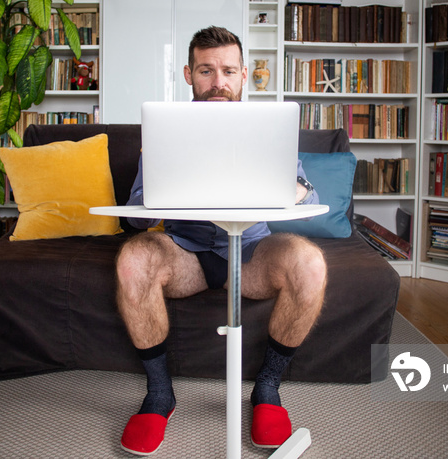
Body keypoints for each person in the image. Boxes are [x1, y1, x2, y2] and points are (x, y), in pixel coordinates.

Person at [117, 26, 327, 456]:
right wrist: (154, 198)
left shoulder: (269, 127)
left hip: (250, 252)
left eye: (228, 71)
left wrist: (297, 190)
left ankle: (267, 388)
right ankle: (160, 394)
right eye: (207, 70)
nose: (218, 82)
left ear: (244, 75)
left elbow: (312, 194)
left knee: (310, 264)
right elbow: (134, 214)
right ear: (188, 74)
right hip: (186, 254)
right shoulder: (163, 130)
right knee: (133, 259)